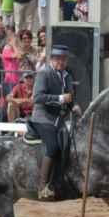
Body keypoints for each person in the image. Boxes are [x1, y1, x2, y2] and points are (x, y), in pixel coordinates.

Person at [30, 44, 76, 200]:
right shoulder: (44, 74)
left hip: (60, 120)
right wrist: (60, 98)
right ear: (52, 59)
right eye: (58, 59)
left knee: (69, 145)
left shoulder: (67, 76)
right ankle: (42, 186)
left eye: (64, 59)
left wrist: (73, 106)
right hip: (43, 118)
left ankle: (59, 180)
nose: (61, 62)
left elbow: (70, 98)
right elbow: (37, 98)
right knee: (53, 146)